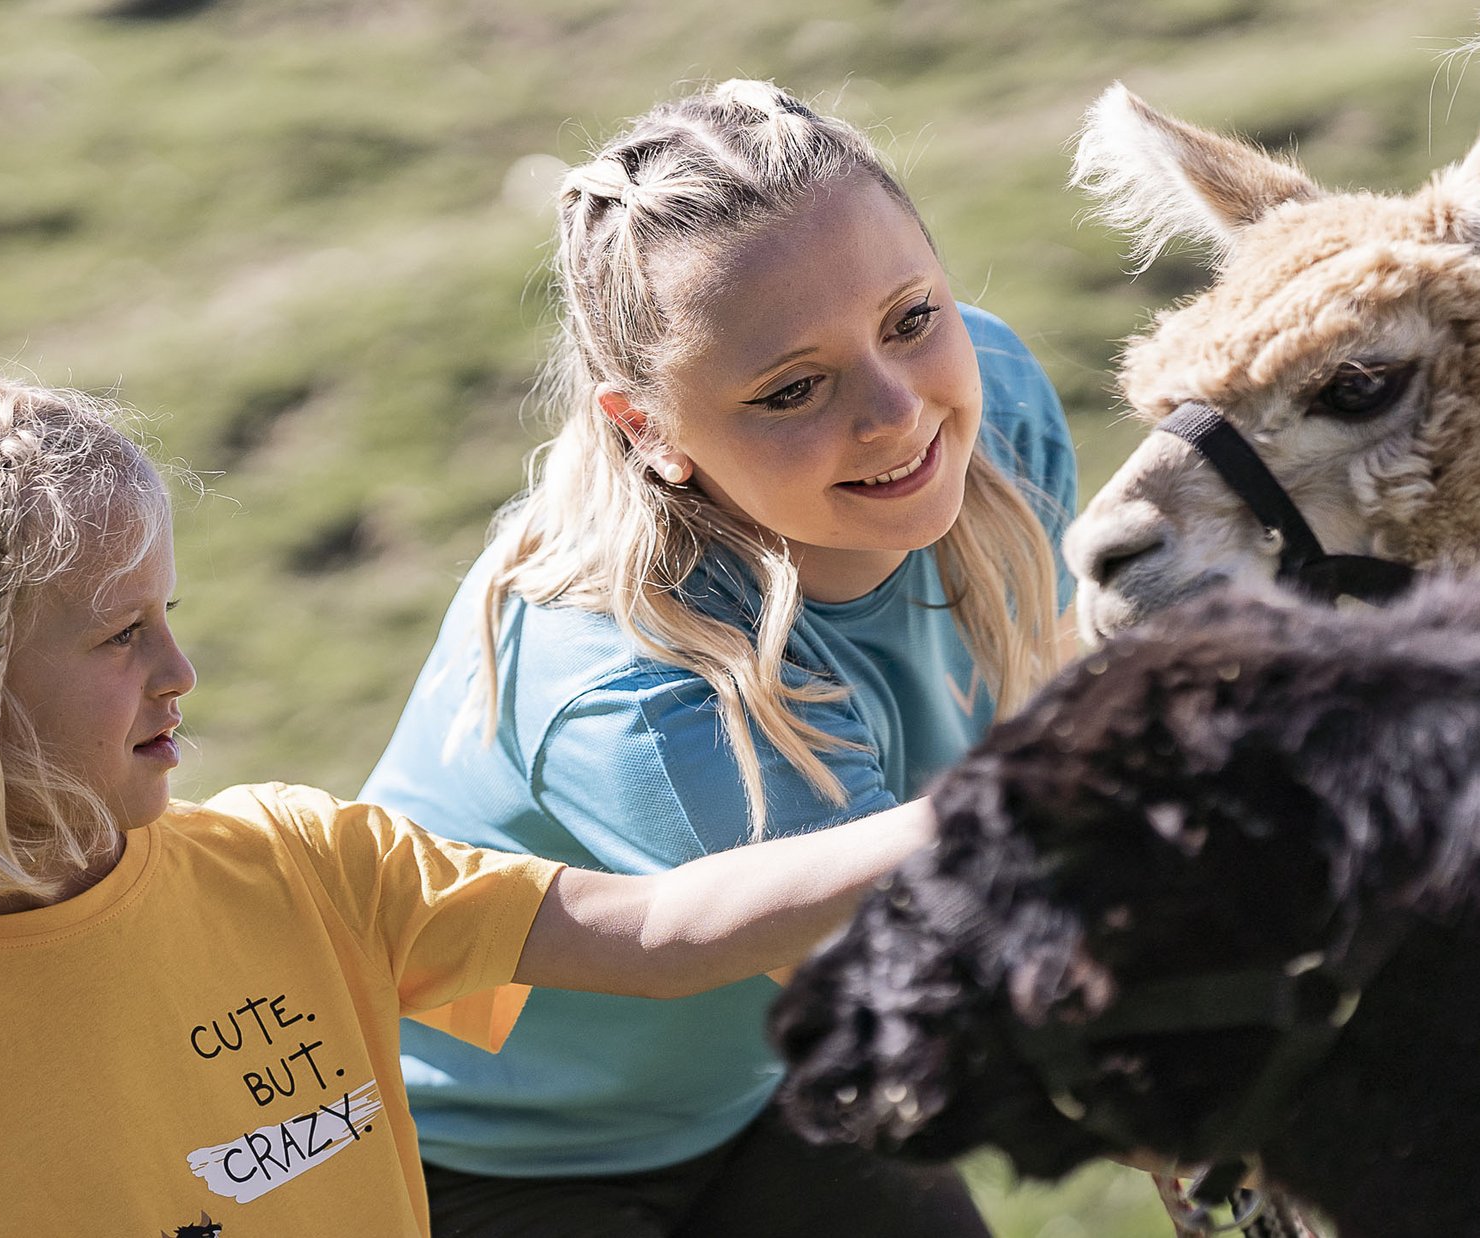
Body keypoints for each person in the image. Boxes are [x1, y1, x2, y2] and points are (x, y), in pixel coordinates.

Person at [0, 371, 940, 1237]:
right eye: (124, 634)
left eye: (168, 614)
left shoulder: (298, 859)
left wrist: (980, 814)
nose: (179, 671)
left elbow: (662, 932)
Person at [357, 79, 1075, 1236]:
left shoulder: (992, 409)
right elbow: (938, 976)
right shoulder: (626, 674)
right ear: (650, 430)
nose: (898, 412)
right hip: (483, 1153)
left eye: (910, 317)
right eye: (793, 389)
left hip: (752, 1083)